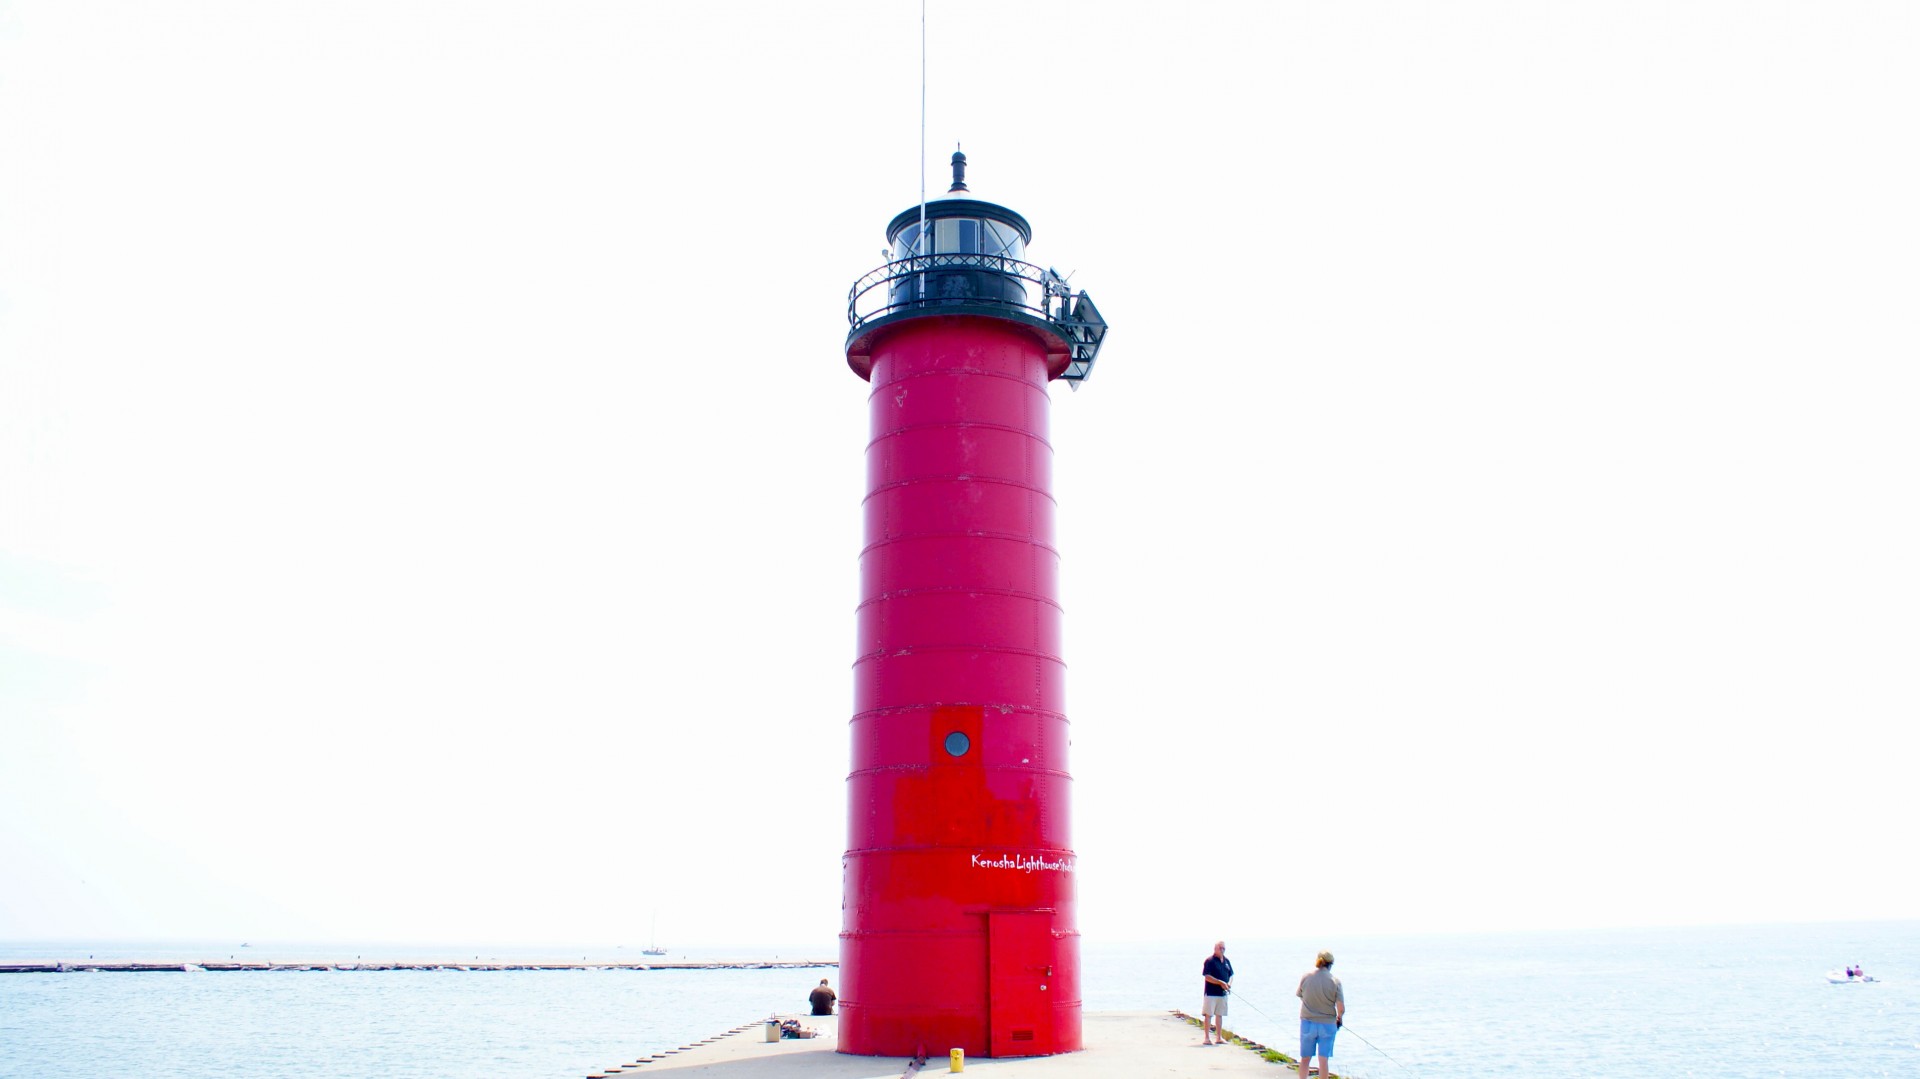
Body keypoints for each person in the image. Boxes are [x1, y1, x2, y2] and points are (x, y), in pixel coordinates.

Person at [1296, 950, 1345, 1079]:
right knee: (1323, 1060)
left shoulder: (1306, 977)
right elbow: (1340, 1007)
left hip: (1307, 1021)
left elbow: (1300, 995)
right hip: (1327, 1024)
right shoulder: (1335, 981)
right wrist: (1339, 1018)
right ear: (1330, 964)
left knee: (1305, 1058)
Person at [1201, 940, 1234, 1045]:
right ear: (1215, 949)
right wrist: (1219, 982)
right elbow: (1207, 976)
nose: (1222, 950)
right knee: (1208, 1015)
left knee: (1219, 1015)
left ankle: (1219, 1037)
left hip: (1222, 994)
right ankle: (1207, 1038)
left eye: (1223, 948)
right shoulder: (1209, 961)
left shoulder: (1226, 961)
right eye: (1220, 948)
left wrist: (1228, 983)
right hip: (1211, 993)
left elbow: (1231, 975)